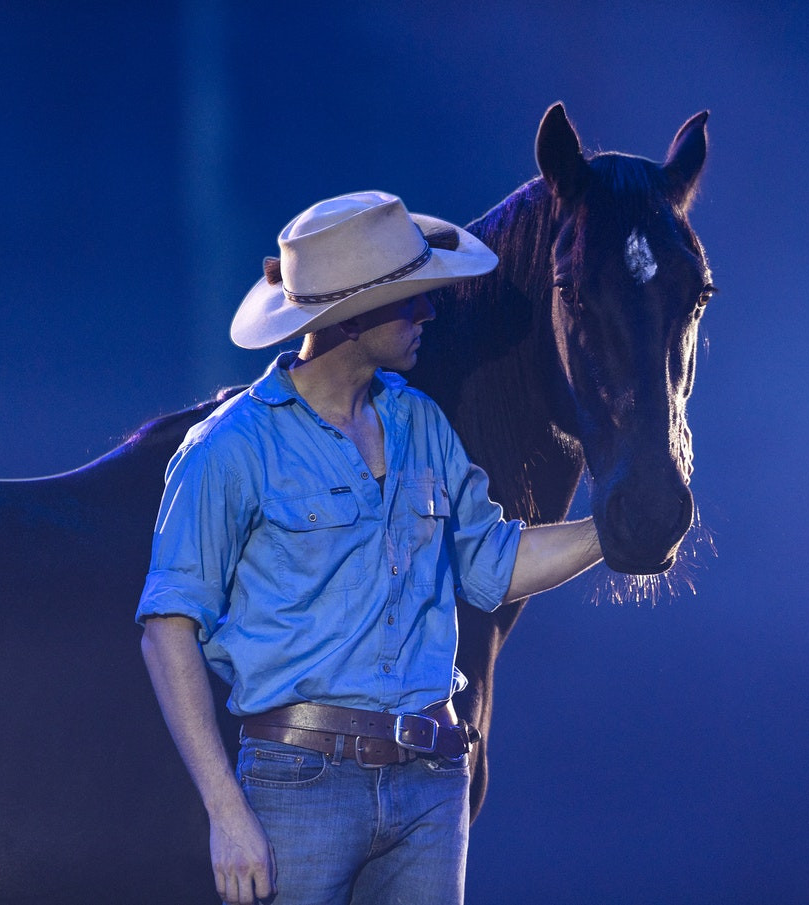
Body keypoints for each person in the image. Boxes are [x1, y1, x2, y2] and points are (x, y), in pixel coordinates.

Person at [136, 191, 601, 905]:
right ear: (351, 319)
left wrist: (612, 532)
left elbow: (491, 567)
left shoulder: (422, 425)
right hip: (299, 787)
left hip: (429, 784)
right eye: (411, 301)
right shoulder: (230, 449)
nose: (430, 314)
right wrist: (226, 811)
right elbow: (168, 627)